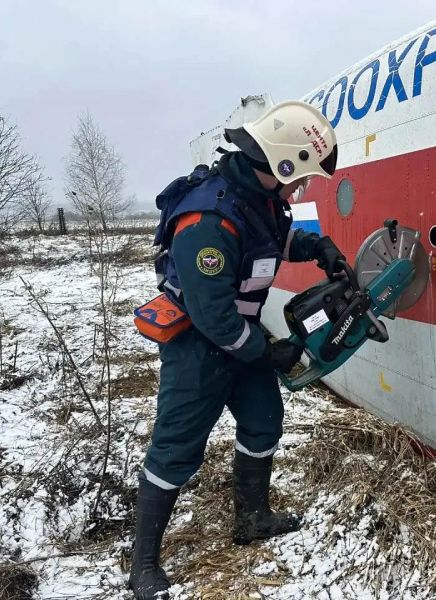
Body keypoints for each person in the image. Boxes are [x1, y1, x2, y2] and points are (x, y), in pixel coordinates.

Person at [129, 101, 345, 600]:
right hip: (198, 345)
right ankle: (143, 564)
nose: (302, 188)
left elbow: (275, 239)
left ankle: (252, 517)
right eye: (302, 177)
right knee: (177, 447)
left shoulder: (259, 198)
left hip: (239, 336)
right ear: (281, 163)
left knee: (264, 420)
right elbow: (214, 319)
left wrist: (319, 249)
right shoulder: (208, 218)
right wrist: (268, 354)